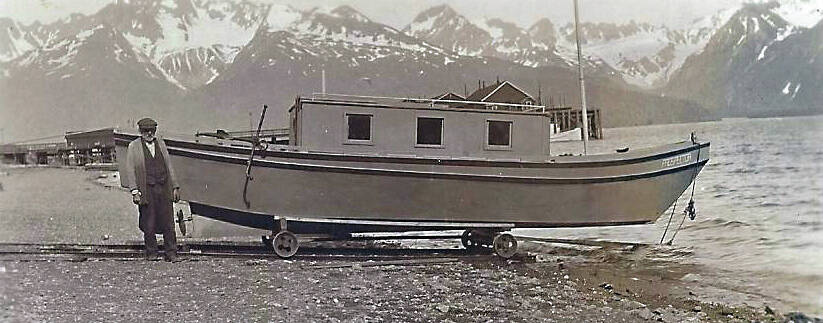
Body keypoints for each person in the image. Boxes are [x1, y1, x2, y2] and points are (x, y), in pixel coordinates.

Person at [123, 118, 181, 262]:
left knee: (168, 222)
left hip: (163, 187)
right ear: (140, 131)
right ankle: (151, 253)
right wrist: (134, 191)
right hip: (146, 189)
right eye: (146, 131)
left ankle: (171, 253)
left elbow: (169, 166)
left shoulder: (161, 143)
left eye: (152, 130)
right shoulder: (133, 146)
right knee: (148, 222)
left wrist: (175, 186)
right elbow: (130, 170)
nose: (149, 133)